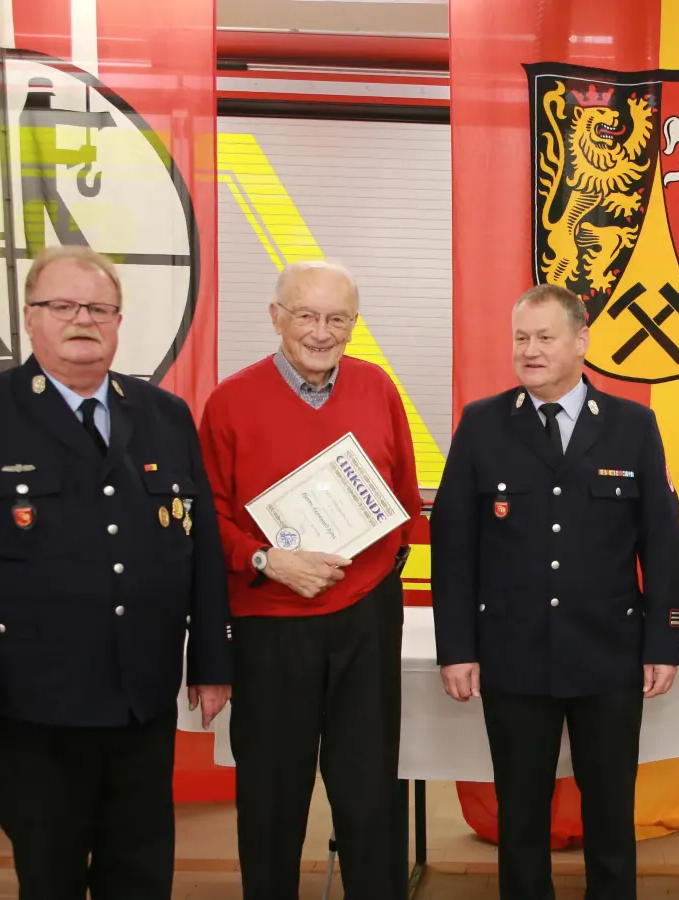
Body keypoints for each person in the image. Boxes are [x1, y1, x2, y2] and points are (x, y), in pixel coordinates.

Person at [0, 245, 233, 900]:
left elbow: (200, 545)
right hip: (31, 703)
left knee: (139, 870)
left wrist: (213, 661)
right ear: (30, 318)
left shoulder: (163, 415)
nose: (83, 320)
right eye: (63, 306)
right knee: (50, 873)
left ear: (118, 319)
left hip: (141, 696)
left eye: (99, 308)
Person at [431, 284, 679, 900]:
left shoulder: (632, 425)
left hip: (608, 655)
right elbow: (454, 543)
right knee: (520, 818)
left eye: (545, 337)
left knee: (610, 817)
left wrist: (663, 642)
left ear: (580, 342)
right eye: (521, 338)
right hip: (513, 655)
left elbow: (662, 542)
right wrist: (456, 647)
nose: (530, 350)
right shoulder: (483, 424)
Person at [198, 260, 424, 900]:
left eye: (337, 319)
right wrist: (267, 560)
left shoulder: (377, 387)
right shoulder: (229, 402)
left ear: (354, 325)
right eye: (306, 315)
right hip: (269, 623)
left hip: (366, 620)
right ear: (276, 317)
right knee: (271, 795)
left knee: (371, 791)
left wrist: (369, 570)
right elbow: (205, 517)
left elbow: (402, 497)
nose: (321, 332)